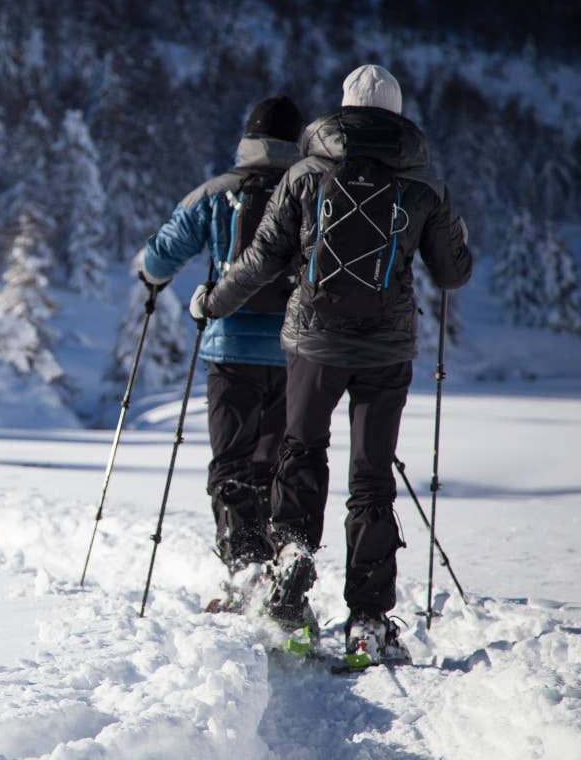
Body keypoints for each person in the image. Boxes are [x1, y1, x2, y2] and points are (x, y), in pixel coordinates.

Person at [189, 64, 473, 661]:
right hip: (386, 350)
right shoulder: (423, 185)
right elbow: (453, 273)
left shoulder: (305, 175)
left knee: (300, 449)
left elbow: (262, 258)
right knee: (370, 480)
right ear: (396, 115)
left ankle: (290, 566)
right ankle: (367, 619)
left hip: (312, 344)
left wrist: (213, 302)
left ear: (341, 112)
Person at [138, 95, 305, 579]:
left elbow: (159, 257)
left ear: (248, 140)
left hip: (230, 349)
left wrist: (153, 279)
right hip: (297, 351)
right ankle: (283, 567)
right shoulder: (312, 191)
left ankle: (246, 568)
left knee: (232, 462)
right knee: (278, 465)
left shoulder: (217, 192)